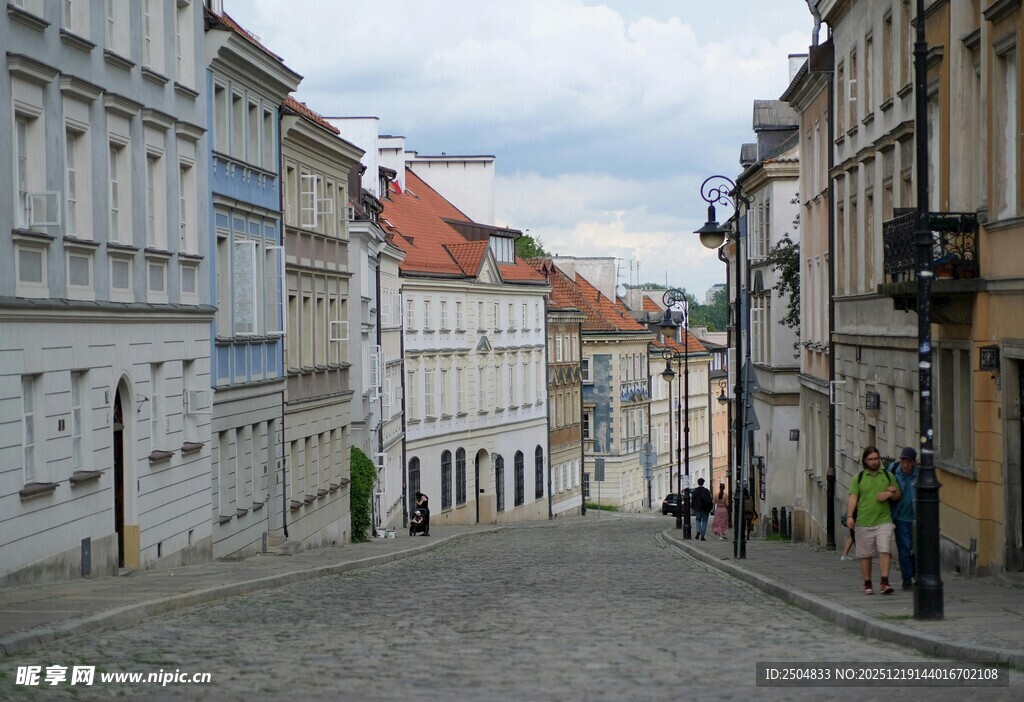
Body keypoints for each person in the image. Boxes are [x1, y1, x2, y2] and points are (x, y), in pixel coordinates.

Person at [846, 446, 901, 595]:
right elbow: (853, 497)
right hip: (864, 521)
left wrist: (890, 494)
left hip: (884, 520)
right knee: (865, 555)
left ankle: (884, 581)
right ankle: (867, 583)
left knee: (885, 549)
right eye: (870, 459)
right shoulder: (859, 478)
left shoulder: (888, 476)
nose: (874, 462)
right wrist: (850, 516)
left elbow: (897, 494)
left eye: (876, 459)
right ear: (865, 461)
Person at [891, 447, 919, 590]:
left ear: (914, 462)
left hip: (917, 518)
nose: (905, 465)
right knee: (904, 549)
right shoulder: (894, 473)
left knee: (918, 549)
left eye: (908, 462)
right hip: (901, 517)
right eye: (903, 461)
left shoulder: (919, 474)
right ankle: (907, 579)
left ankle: (916, 574)